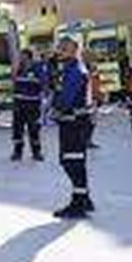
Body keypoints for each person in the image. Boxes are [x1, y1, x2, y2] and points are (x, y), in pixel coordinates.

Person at [52, 36, 95, 219]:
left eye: (64, 48)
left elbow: (66, 98)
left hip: (74, 123)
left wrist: (54, 110)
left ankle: (79, 203)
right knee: (75, 162)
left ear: (74, 50)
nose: (60, 51)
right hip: (75, 122)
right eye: (59, 47)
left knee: (71, 162)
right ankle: (84, 198)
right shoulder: (70, 68)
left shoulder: (75, 70)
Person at [11, 48, 46, 161]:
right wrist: (15, 69)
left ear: (28, 57)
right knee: (17, 129)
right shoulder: (18, 68)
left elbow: (43, 82)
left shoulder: (37, 68)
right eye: (20, 56)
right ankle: (17, 151)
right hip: (19, 103)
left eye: (22, 56)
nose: (20, 58)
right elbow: (14, 81)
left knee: (33, 128)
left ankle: (36, 152)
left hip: (32, 103)